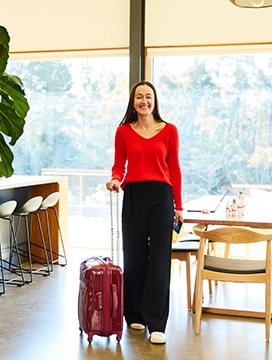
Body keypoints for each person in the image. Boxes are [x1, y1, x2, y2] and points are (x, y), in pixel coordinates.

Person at [106, 80, 183, 344]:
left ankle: (157, 322)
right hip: (134, 195)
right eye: (139, 97)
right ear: (133, 102)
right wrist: (116, 179)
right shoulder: (123, 131)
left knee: (159, 258)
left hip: (162, 197)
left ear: (154, 100)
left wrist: (179, 206)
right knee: (135, 255)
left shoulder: (169, 130)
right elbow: (119, 165)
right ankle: (135, 314)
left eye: (148, 96)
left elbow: (174, 169)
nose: (144, 101)